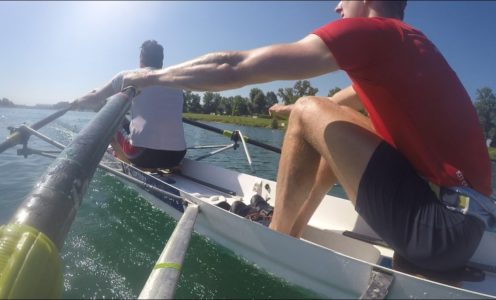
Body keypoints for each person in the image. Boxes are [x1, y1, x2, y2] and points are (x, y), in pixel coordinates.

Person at [121, 0, 492, 272]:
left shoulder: (374, 34)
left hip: (440, 230)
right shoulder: (407, 46)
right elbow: (339, 104)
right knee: (329, 118)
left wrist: (149, 78)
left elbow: (235, 67)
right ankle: (293, 229)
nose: (336, 7)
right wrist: (292, 112)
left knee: (307, 108)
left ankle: (276, 239)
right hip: (462, 227)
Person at [75, 40, 187, 170]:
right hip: (176, 155)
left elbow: (96, 97)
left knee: (110, 119)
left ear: (141, 59)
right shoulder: (176, 82)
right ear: (161, 62)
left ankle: (126, 161)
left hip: (142, 155)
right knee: (125, 121)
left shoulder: (129, 76)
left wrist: (74, 102)